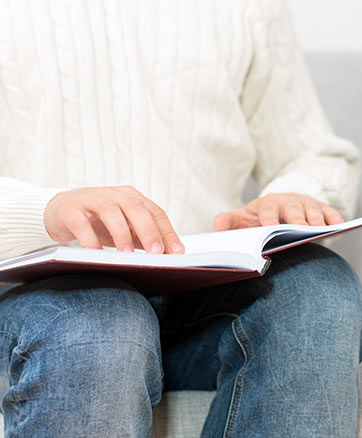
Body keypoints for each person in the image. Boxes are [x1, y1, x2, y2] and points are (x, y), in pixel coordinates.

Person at [0, 0, 360, 437]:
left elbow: (312, 151)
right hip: (30, 300)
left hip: (206, 291)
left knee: (320, 289)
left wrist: (297, 196)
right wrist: (44, 210)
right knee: (101, 326)